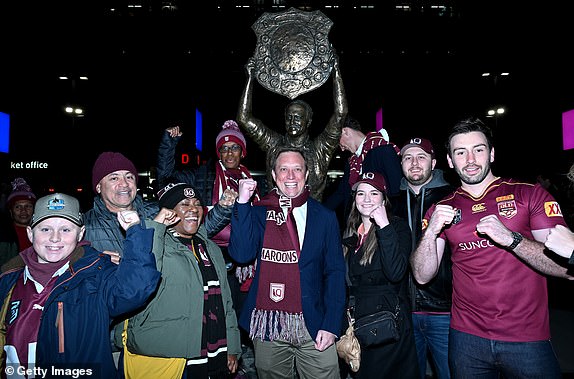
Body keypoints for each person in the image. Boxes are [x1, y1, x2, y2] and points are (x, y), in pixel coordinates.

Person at [410, 116, 573, 378]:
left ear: (492, 154)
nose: (470, 160)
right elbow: (422, 274)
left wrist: (512, 239)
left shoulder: (529, 194)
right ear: (451, 161)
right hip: (466, 338)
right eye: (460, 152)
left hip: (527, 338)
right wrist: (430, 231)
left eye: (479, 149)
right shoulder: (442, 208)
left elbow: (565, 268)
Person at [0, 192, 161, 378]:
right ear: (30, 233)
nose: (55, 238)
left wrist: (135, 231)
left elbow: (135, 289)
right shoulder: (8, 281)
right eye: (45, 229)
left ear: (81, 233)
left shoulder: (96, 275)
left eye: (66, 230)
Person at [228, 148, 346, 378]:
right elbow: (241, 255)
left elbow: (335, 272)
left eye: (297, 169)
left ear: (307, 173)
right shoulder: (259, 212)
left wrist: (331, 324)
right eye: (284, 169)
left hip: (314, 323)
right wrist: (242, 203)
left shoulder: (324, 216)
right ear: (274, 174)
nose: (290, 176)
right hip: (268, 326)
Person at [157, 121, 260, 377]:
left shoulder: (256, 181)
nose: (229, 154)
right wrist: (169, 144)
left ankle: (238, 352)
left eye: (234, 148)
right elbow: (165, 177)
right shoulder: (204, 174)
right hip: (209, 250)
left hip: (245, 256)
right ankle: (213, 353)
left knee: (241, 307)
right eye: (223, 149)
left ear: (242, 151)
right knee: (213, 307)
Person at [121, 183, 241, 378]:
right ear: (169, 211)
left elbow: (226, 302)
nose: (193, 209)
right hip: (173, 358)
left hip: (215, 351)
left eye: (196, 204)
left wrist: (233, 346)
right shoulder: (158, 244)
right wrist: (157, 226)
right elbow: (141, 276)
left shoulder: (210, 248)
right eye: (184, 204)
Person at [236, 55, 348, 201]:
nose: (292, 121)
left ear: (308, 121)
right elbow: (244, 118)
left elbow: (340, 113)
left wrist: (336, 72)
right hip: (277, 217)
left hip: (311, 218)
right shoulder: (273, 144)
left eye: (298, 117)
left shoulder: (321, 148)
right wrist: (250, 78)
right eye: (289, 117)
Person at [341, 171, 419, 378]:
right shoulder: (351, 233)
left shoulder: (397, 227)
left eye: (374, 193)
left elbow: (396, 272)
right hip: (358, 324)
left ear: (384, 198)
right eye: (361, 193)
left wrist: (383, 225)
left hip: (387, 326)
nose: (366, 199)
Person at [393, 137, 454, 379]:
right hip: (403, 312)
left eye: (421, 157)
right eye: (408, 158)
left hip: (445, 310)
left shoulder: (453, 198)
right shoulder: (390, 203)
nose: (414, 163)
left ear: (434, 162)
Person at [323, 116, 402, 224]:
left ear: (345, 131)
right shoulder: (351, 162)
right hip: (357, 225)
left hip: (382, 224)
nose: (341, 148)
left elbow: (397, 191)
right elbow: (341, 193)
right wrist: (317, 211)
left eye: (338, 141)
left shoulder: (383, 150)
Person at [0, 178, 37, 267]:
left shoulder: (43, 232)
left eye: (28, 206)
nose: (23, 211)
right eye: (18, 207)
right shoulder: (3, 236)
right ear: (11, 212)